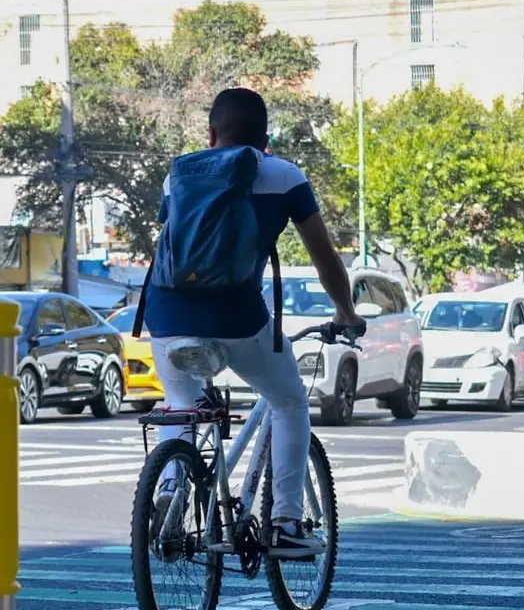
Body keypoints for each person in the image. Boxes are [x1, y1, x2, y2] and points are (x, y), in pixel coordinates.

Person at [141, 87, 363, 558]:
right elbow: (324, 257)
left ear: (211, 132)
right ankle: (284, 521)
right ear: (266, 139)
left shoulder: (178, 174)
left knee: (180, 402)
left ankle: (169, 492)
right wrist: (345, 311)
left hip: (166, 314)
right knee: (287, 399)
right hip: (237, 316)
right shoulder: (283, 175)